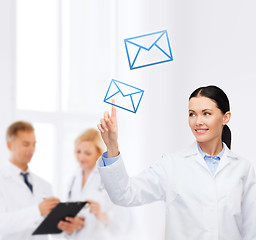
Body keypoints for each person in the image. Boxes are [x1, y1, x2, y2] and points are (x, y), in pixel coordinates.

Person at [97, 85, 256, 240]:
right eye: (192, 114)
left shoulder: (243, 168)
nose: (197, 121)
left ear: (225, 117)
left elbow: (251, 229)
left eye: (206, 113)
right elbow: (124, 194)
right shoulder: (171, 165)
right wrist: (112, 145)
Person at [58, 128, 131, 240]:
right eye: (78, 152)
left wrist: (100, 214)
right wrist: (74, 223)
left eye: (87, 153)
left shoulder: (108, 179)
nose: (81, 157)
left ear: (98, 153)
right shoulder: (73, 179)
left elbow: (121, 224)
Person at [0, 121, 60, 240]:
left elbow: (53, 230)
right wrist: (37, 211)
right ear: (10, 145)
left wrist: (65, 224)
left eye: (34, 144)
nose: (32, 149)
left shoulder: (44, 185)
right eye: (26, 144)